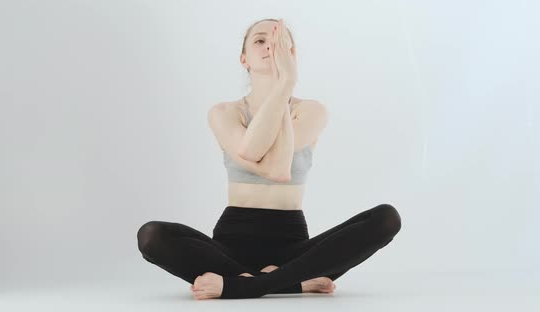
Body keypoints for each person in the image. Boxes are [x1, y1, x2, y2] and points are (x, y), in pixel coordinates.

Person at [136, 18, 402, 300]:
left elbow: (278, 165)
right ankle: (290, 282)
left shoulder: (311, 111)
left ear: (291, 54)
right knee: (151, 236)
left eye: (280, 43)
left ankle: (248, 284)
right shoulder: (225, 112)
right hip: (230, 246)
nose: (270, 47)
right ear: (244, 58)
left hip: (293, 248)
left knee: (386, 218)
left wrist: (286, 83)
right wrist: (284, 82)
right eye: (260, 40)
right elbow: (266, 161)